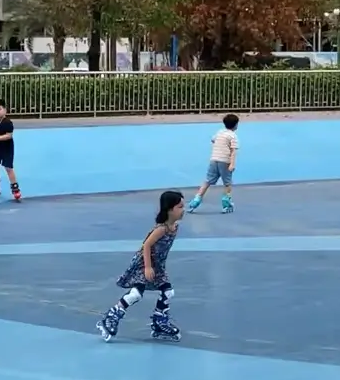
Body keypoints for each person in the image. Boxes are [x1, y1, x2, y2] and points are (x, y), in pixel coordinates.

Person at [99, 190, 185, 342]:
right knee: (136, 294)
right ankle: (111, 316)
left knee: (168, 292)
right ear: (170, 209)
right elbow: (146, 245)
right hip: (144, 263)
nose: (183, 210)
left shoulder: (174, 227)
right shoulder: (161, 229)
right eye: (180, 207)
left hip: (158, 266)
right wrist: (147, 267)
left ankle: (160, 320)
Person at [188, 113, 240, 213]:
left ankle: (196, 200)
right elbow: (233, 151)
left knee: (207, 181)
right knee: (227, 183)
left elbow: (213, 140)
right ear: (236, 125)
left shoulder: (220, 132)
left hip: (214, 160)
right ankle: (226, 203)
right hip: (225, 161)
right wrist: (232, 164)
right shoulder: (233, 136)